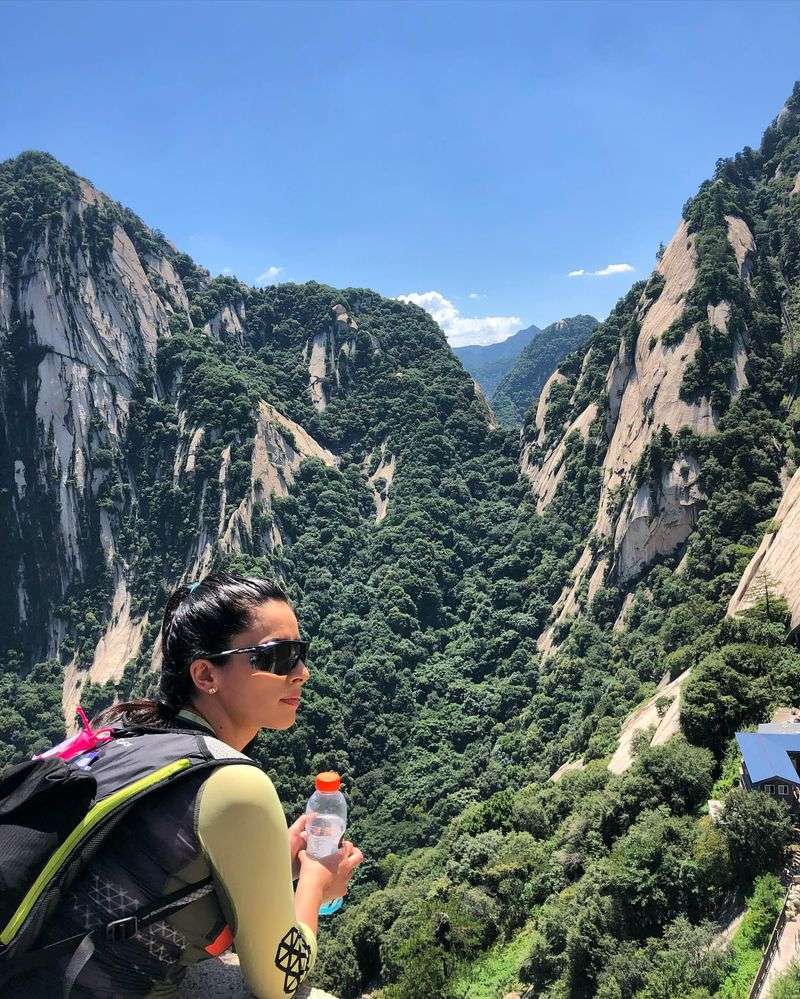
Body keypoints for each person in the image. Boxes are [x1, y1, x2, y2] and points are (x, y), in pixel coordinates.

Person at [23, 572, 362, 998]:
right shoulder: (234, 785)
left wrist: (273, 861)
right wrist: (315, 883)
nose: (302, 673)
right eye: (278, 657)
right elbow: (279, 983)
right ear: (205, 675)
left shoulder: (128, 734)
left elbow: (153, 870)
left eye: (301, 652)